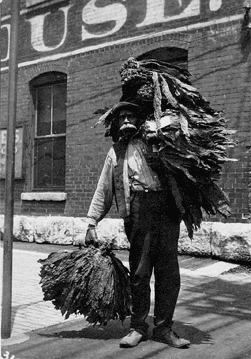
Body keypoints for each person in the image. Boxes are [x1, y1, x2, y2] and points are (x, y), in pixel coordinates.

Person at [85, 101, 190, 349]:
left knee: (168, 274)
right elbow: (104, 189)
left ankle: (164, 328)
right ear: (116, 123)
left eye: (132, 116)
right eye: (122, 118)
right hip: (138, 213)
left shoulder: (158, 142)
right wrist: (91, 221)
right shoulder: (116, 153)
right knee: (140, 273)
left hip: (166, 212)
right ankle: (138, 327)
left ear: (141, 119)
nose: (127, 121)